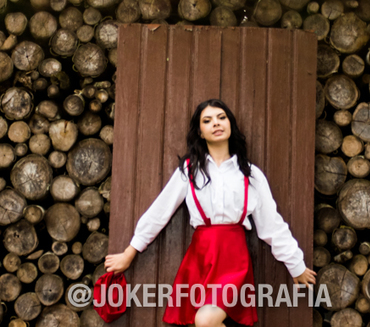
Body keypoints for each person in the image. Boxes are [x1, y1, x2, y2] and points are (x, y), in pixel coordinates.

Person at [105, 98, 317, 327]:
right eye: (208, 121)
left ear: (230, 125)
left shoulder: (250, 174)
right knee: (203, 322)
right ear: (201, 132)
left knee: (205, 321)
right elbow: (159, 212)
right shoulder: (189, 170)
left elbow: (271, 224)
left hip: (233, 258)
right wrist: (129, 252)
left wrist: (295, 264)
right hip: (201, 257)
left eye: (221, 118)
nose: (216, 123)